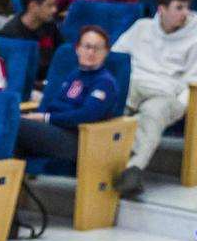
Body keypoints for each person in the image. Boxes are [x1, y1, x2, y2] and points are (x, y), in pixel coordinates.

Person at [111, 0, 197, 198]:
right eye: (179, 8)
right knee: (112, 107)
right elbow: (117, 54)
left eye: (187, 8)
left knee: (153, 116)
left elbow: (195, 78)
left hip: (166, 93)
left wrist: (181, 106)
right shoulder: (142, 27)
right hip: (134, 83)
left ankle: (133, 170)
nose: (185, 13)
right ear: (162, 9)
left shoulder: (196, 40)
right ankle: (99, 162)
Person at [14, 25, 124, 165]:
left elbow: (87, 115)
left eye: (97, 48)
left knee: (14, 123)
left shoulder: (105, 82)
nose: (91, 52)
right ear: (77, 49)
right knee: (11, 136)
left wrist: (46, 117)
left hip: (78, 139)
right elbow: (57, 104)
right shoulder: (74, 74)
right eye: (87, 47)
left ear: (106, 52)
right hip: (56, 130)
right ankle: (6, 182)